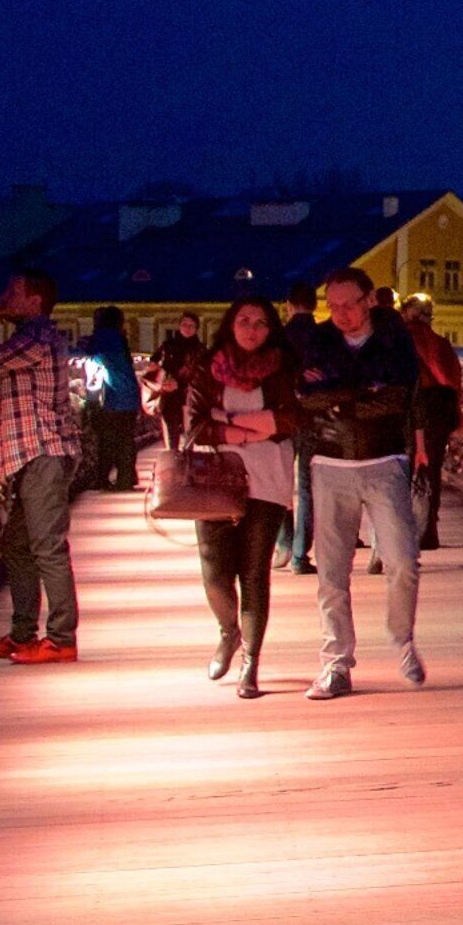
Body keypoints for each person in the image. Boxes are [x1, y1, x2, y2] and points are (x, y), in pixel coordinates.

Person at [293, 266, 427, 699]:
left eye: (349, 304)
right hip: (329, 461)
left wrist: (337, 396)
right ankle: (336, 663)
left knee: (403, 560)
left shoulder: (394, 339)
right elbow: (304, 396)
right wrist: (362, 391)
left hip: (384, 460)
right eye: (333, 306)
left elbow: (397, 399)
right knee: (332, 572)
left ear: (369, 299)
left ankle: (401, 639)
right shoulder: (318, 340)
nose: (341, 314)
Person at [0, 266, 83, 664]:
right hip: (33, 455)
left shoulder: (34, 338)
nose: (5, 297)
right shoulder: (33, 337)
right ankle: (23, 634)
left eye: (13, 292)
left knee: (47, 547)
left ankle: (61, 640)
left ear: (35, 301)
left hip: (44, 453)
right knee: (17, 545)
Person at [193, 297, 302, 698]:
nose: (252, 329)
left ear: (271, 329)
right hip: (215, 480)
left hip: (267, 480)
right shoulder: (208, 367)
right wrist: (250, 430)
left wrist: (225, 420)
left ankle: (250, 664)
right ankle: (229, 632)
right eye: (244, 321)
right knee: (214, 571)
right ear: (230, 325)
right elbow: (194, 424)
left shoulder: (282, 368)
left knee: (254, 572)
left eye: (260, 322)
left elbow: (289, 419)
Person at [403, 293, 463, 550]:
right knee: (431, 469)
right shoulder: (436, 341)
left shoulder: (401, 339)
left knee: (404, 469)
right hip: (436, 409)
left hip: (408, 410)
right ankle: (428, 529)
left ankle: (405, 528)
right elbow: (449, 376)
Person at [279, 283, 323, 573]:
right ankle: (299, 555)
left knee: (280, 482)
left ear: (289, 305)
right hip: (312, 415)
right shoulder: (324, 337)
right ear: (315, 305)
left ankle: (283, 541)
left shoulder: (279, 336)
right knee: (307, 486)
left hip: (282, 416)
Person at [81, 305, 144, 491]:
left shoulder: (104, 337)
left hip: (114, 396)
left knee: (109, 440)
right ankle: (126, 477)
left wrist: (84, 351)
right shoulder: (119, 338)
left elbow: (99, 357)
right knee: (125, 438)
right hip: (128, 395)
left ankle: (109, 479)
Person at [146, 314, 207, 448]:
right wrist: (156, 371)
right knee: (170, 430)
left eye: (191, 325)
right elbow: (154, 361)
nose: (187, 328)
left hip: (189, 396)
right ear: (179, 326)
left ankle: (187, 457)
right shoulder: (167, 346)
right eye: (184, 324)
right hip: (169, 395)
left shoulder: (200, 349)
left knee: (189, 433)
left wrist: (180, 384)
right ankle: (172, 457)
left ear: (196, 328)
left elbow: (201, 375)